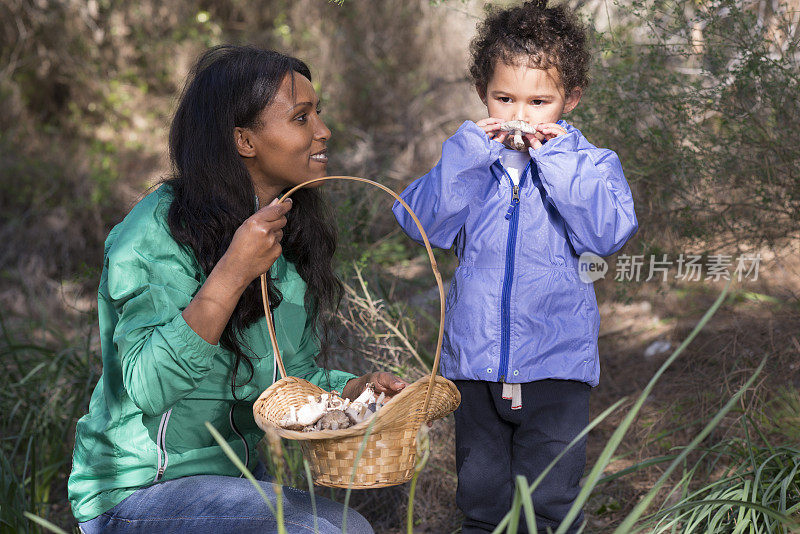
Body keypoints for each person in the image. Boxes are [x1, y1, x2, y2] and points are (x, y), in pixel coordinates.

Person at [68, 45, 407, 534]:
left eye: (319, 114)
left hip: (239, 484)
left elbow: (291, 376)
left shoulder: (286, 232)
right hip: (138, 491)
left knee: (353, 527)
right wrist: (231, 273)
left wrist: (354, 394)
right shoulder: (155, 232)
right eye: (301, 117)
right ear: (244, 140)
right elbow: (147, 386)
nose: (323, 131)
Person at [392, 2, 639, 532]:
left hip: (556, 369)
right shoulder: (471, 163)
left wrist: (559, 162)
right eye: (505, 98)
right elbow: (418, 222)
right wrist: (464, 157)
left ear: (569, 99)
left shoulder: (591, 165)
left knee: (549, 506)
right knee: (482, 506)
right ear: (483, 92)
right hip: (475, 370)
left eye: (539, 101)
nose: (521, 116)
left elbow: (607, 232)